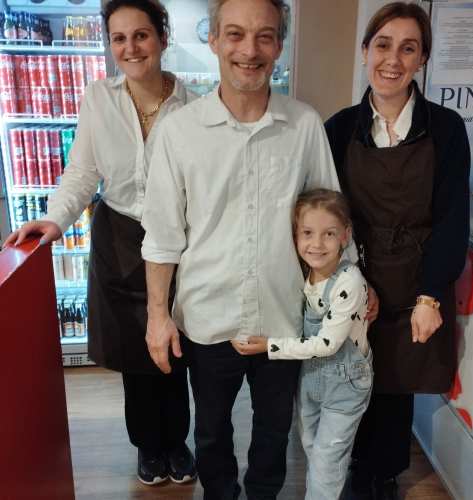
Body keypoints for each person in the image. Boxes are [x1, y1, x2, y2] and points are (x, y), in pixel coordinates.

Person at [140, 0, 371, 498]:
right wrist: (157, 315)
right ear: (214, 40)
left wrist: (352, 288)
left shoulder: (304, 125)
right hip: (207, 316)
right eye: (235, 34)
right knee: (210, 432)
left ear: (279, 45)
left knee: (273, 432)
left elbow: (329, 219)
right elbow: (161, 235)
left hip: (283, 316)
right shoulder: (179, 131)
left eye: (264, 36)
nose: (250, 50)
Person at [3, 0, 196, 487]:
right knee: (135, 354)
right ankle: (148, 445)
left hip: (178, 241)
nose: (130, 48)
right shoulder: (98, 98)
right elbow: (82, 171)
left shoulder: (194, 106)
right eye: (119, 38)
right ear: (110, 45)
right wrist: (54, 219)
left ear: (162, 38)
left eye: (141, 35)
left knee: (174, 347)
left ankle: (178, 441)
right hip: (120, 238)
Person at [324, 3, 470, 499]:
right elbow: (328, 213)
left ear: (422, 58)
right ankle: (352, 469)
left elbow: (451, 217)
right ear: (365, 51)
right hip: (353, 275)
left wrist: (431, 295)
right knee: (350, 378)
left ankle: (383, 475)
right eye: (383, 45)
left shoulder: (446, 128)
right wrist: (344, 277)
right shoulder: (339, 128)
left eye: (408, 48)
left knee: (395, 384)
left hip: (415, 279)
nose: (393, 59)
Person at [232, 188, 373, 500]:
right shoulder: (305, 274)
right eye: (307, 233)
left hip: (345, 383)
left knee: (325, 462)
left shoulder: (349, 282)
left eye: (329, 234)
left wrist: (270, 346)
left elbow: (327, 344)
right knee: (312, 447)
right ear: (295, 236)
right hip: (311, 380)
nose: (317, 244)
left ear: (345, 235)